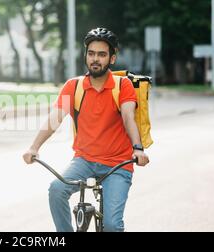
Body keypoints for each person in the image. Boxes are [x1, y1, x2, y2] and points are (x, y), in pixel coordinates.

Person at [22, 27, 149, 232]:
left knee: (112, 226)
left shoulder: (122, 85)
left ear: (112, 58)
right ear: (85, 56)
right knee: (56, 190)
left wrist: (138, 148)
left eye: (101, 54)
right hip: (84, 161)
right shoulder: (73, 86)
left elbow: (128, 117)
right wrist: (33, 147)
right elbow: (54, 120)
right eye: (91, 53)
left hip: (117, 164)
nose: (95, 59)